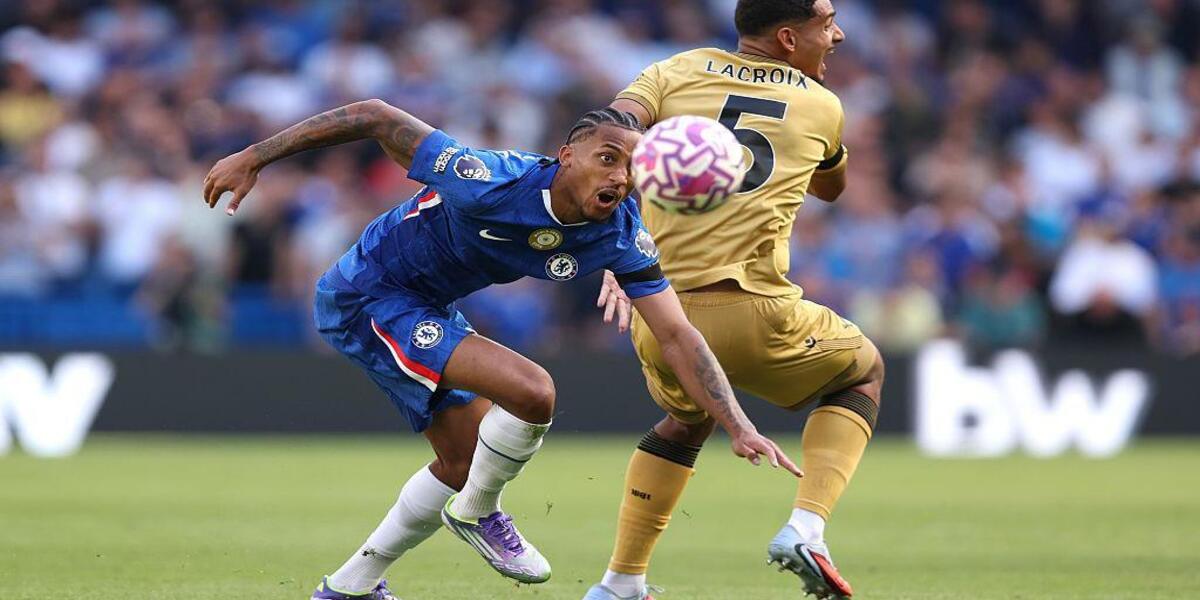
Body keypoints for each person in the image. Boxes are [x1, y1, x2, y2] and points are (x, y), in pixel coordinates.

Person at [202, 101, 801, 600]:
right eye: (607, 158)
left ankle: (350, 587)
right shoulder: (490, 177)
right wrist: (253, 157)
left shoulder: (619, 234)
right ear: (567, 156)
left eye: (634, 165)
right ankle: (480, 512)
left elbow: (677, 334)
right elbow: (373, 116)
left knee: (464, 461)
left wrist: (738, 424)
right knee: (532, 391)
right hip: (368, 295)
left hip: (428, 308)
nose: (621, 176)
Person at [585, 1, 882, 599]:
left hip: (660, 315)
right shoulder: (822, 106)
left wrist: (615, 237)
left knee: (685, 421)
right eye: (828, 24)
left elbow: (606, 132)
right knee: (864, 370)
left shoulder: (671, 72)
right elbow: (832, 186)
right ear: (790, 38)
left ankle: (621, 582)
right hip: (754, 311)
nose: (839, 34)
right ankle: (807, 527)